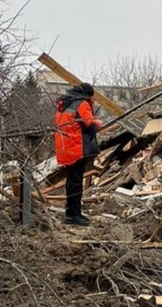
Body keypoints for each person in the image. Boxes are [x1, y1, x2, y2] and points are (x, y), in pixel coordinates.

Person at [55, 83, 103, 226]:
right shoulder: (81, 103)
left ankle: (74, 212)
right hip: (76, 148)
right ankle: (72, 215)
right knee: (76, 183)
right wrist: (98, 123)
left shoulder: (65, 104)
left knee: (72, 181)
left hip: (65, 147)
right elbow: (90, 125)